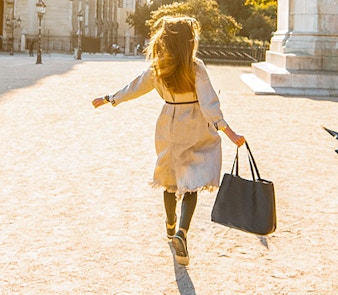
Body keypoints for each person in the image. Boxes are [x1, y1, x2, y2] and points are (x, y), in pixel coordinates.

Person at [92, 16, 245, 266]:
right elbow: (209, 105)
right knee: (192, 183)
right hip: (195, 125)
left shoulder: (158, 67)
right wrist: (230, 133)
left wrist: (110, 98)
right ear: (188, 42)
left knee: (170, 181)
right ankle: (182, 232)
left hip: (169, 124)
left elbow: (135, 87)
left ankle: (170, 224)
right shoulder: (195, 66)